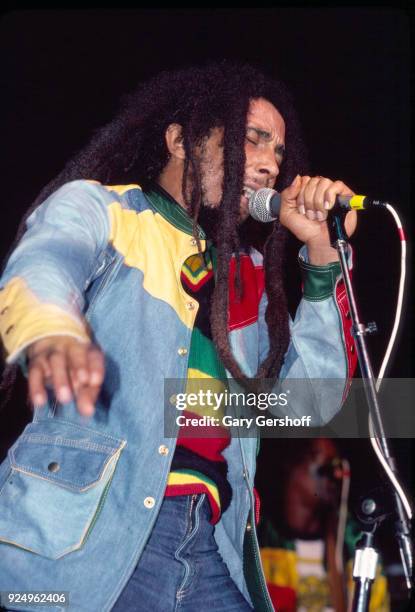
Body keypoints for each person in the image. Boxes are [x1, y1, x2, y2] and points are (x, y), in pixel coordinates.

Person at [0, 62, 357, 611]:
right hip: (89, 529)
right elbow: (46, 264)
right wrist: (52, 332)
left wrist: (322, 253)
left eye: (279, 153)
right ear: (181, 141)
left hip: (210, 542)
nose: (268, 166)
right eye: (252, 140)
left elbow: (310, 400)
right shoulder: (106, 211)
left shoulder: (252, 275)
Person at [257, 438, 389, 611]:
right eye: (325, 467)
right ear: (293, 465)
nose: (335, 475)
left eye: (336, 466)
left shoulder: (353, 541)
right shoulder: (260, 541)